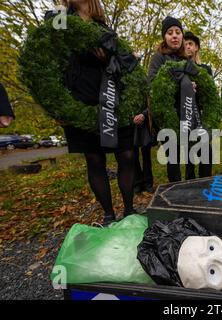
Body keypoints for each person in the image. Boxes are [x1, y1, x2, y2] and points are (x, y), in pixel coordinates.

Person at [55, 0, 138, 225]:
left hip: (113, 99)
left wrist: (113, 58)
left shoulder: (104, 26)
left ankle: (129, 210)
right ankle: (109, 213)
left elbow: (122, 61)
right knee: (94, 158)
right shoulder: (61, 17)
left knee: (127, 154)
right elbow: (53, 47)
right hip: (81, 98)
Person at [148, 16, 194, 183]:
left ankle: (192, 185)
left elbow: (194, 81)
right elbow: (152, 84)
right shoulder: (158, 58)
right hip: (167, 116)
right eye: (170, 33)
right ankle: (176, 189)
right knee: (173, 157)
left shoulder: (187, 59)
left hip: (186, 112)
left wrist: (193, 87)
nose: (174, 36)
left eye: (178, 32)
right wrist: (178, 83)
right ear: (164, 37)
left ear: (182, 36)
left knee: (191, 151)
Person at [184, 31, 213, 179]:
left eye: (190, 44)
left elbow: (210, 95)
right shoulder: (179, 68)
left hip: (201, 116)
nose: (187, 47)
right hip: (185, 116)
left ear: (196, 47)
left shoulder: (206, 69)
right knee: (189, 156)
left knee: (206, 153)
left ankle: (205, 182)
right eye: (185, 44)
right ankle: (189, 186)